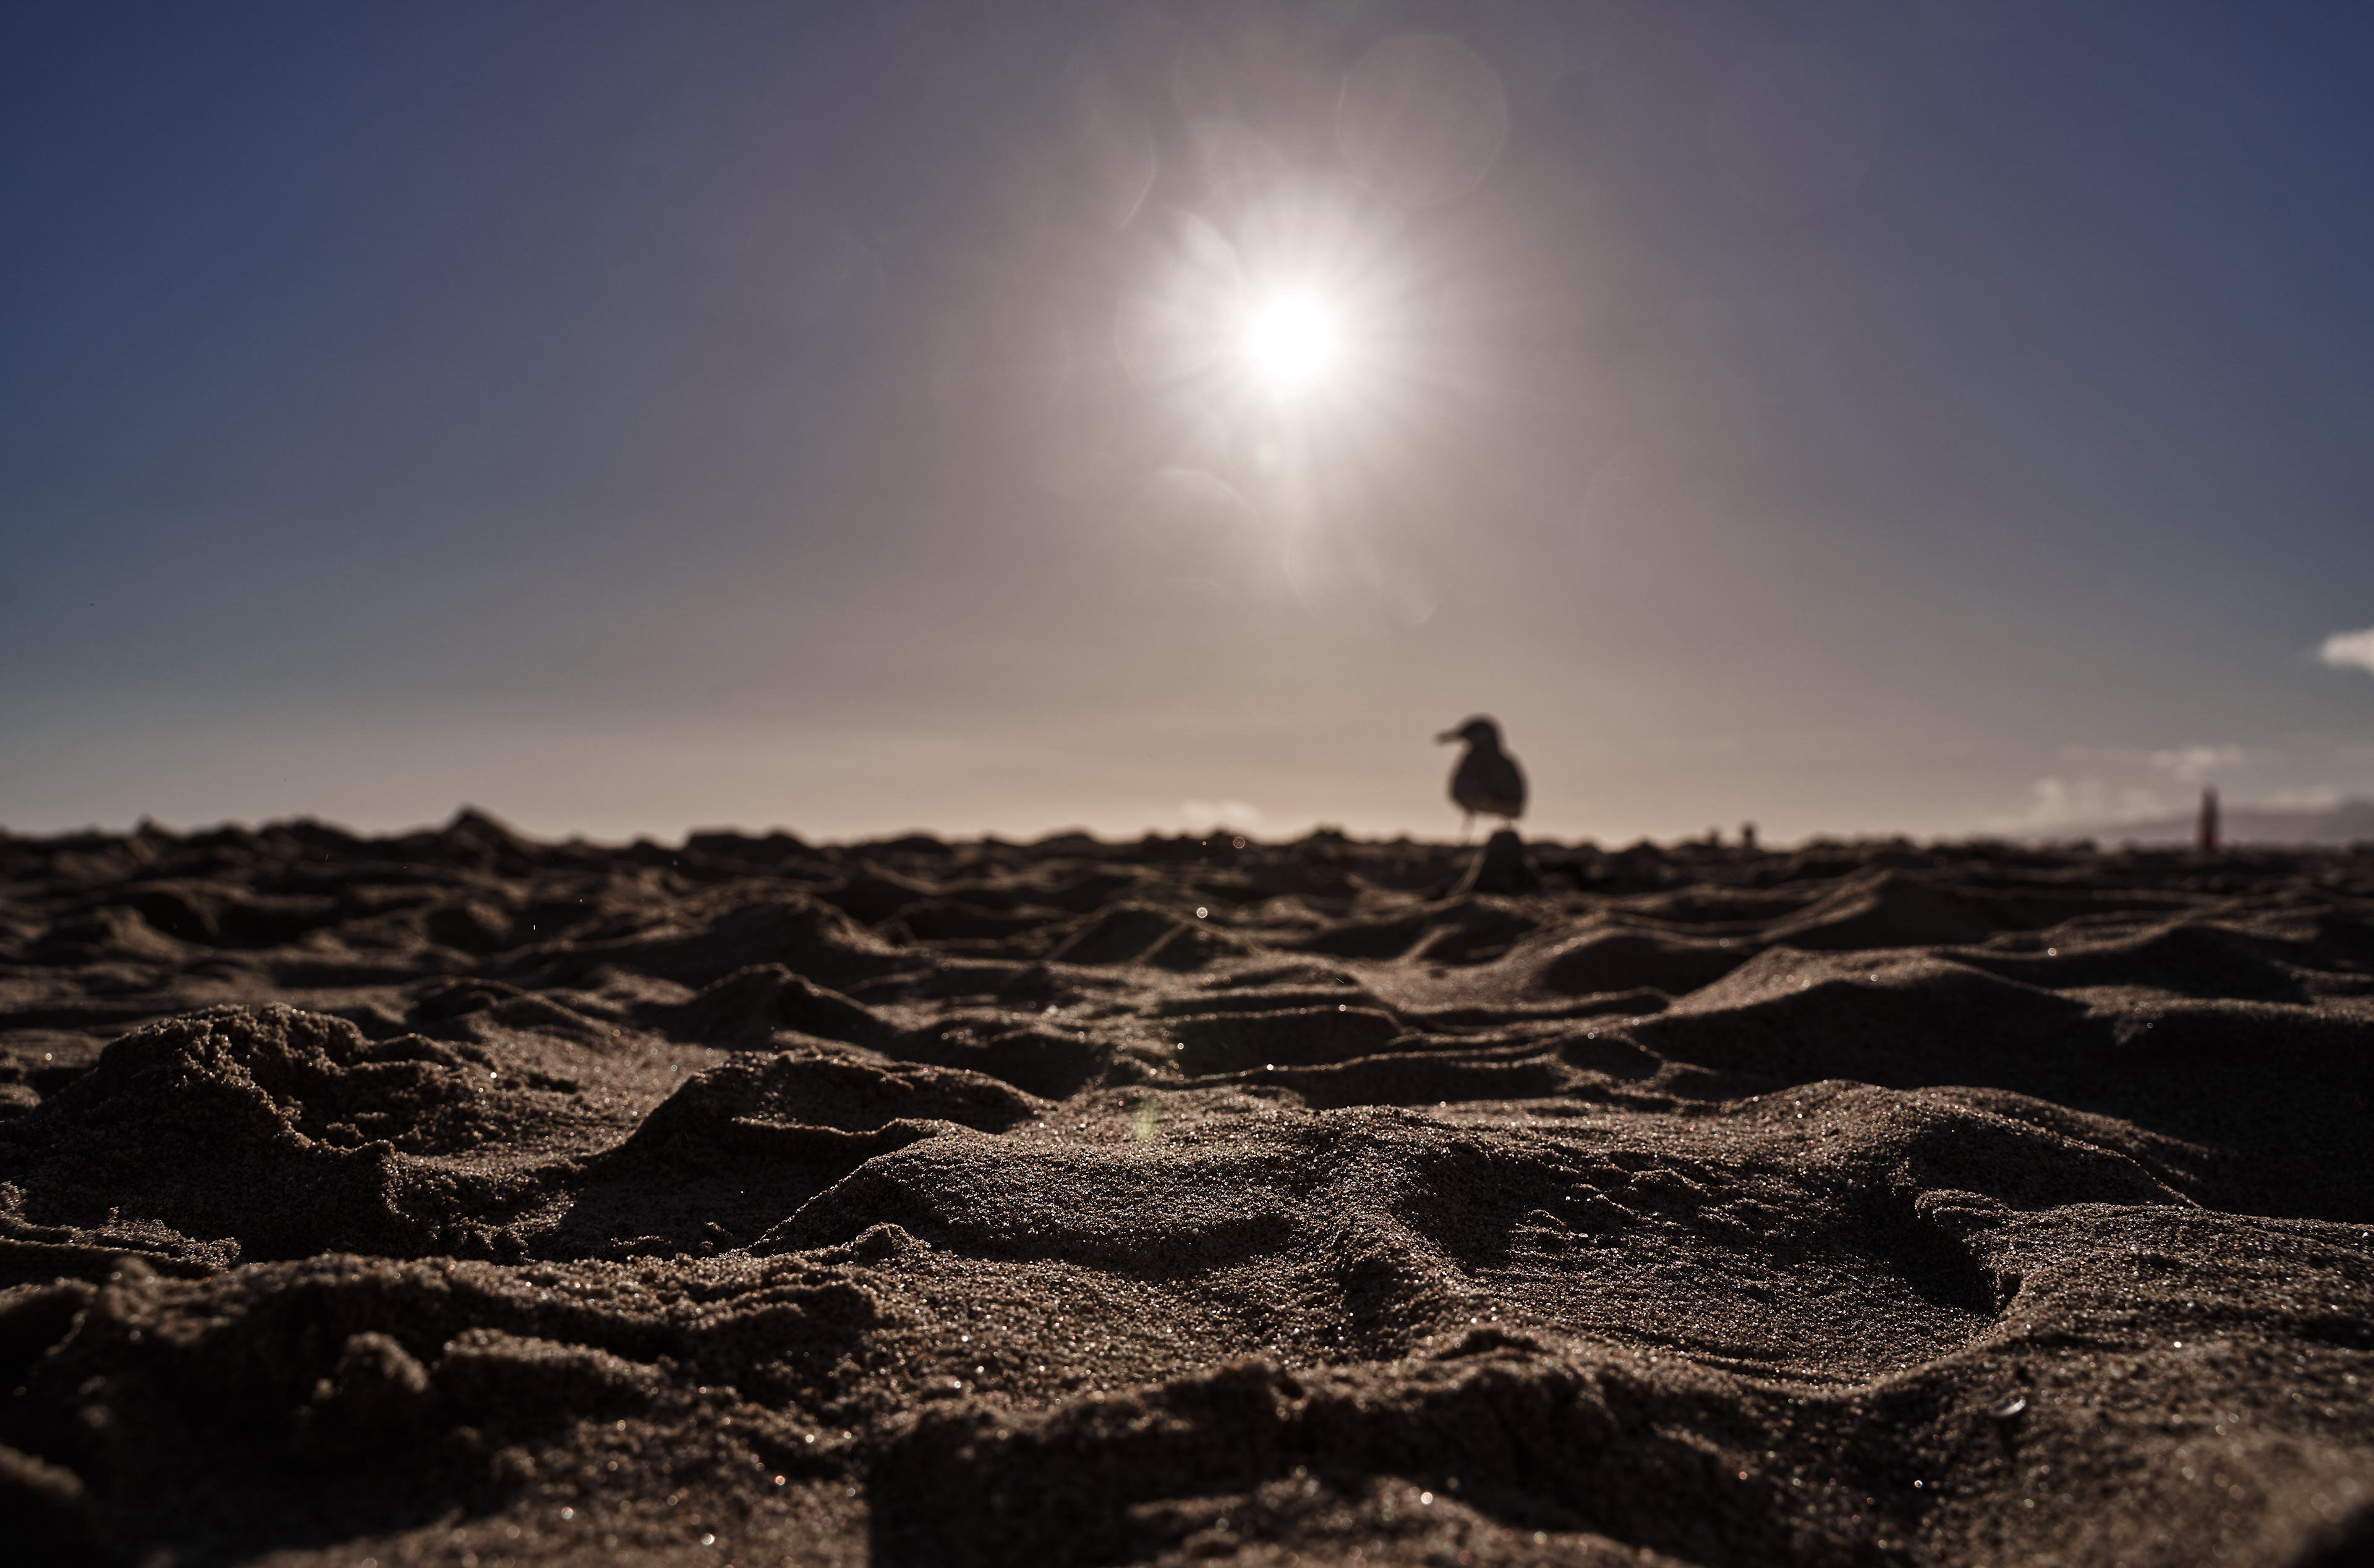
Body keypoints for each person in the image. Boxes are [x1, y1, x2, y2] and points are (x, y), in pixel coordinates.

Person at [1436, 716, 1526, 841]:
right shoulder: (1506, 763)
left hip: (1488, 801)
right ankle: (1505, 838)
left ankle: (1466, 839)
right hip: (1506, 804)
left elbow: (1458, 790)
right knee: (1506, 829)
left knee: (1471, 818)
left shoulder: (1472, 761)